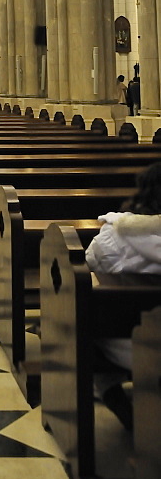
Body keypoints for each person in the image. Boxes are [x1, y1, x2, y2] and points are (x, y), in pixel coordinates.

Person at [85, 162, 161, 431]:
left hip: (130, 346)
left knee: (80, 316)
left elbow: (91, 264)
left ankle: (111, 391)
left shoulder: (114, 237)